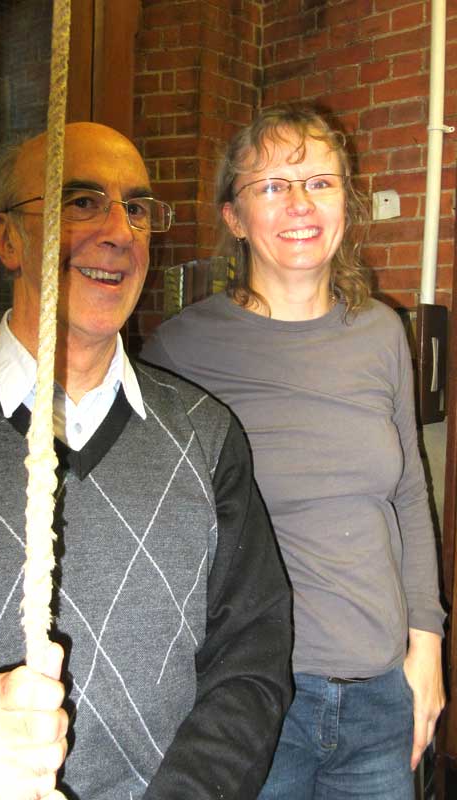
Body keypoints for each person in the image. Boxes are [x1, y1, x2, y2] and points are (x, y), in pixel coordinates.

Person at [0, 122, 293, 800]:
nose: (120, 232)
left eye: (138, 208)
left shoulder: (208, 436)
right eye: (81, 201)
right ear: (6, 237)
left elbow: (253, 666)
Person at [141, 105, 446, 799]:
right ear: (234, 217)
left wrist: (426, 646)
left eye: (320, 182)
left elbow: (407, 497)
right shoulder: (183, 350)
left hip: (380, 693)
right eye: (274, 186)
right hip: (255, 700)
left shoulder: (381, 332)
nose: (301, 203)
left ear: (346, 201)